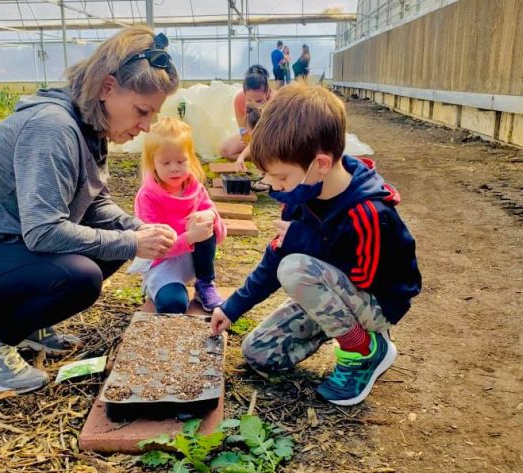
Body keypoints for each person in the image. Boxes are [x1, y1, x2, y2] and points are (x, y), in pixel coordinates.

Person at [0, 25, 179, 393]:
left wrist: (136, 230)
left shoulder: (90, 127)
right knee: (81, 275)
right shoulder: (51, 128)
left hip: (0, 254)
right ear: (107, 88)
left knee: (112, 247)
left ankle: (28, 323)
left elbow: (94, 204)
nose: (146, 125)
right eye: (141, 111)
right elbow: (44, 231)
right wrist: (130, 242)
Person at [211, 83, 421, 407]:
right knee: (259, 353)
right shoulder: (302, 194)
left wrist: (304, 240)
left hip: (376, 302)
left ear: (320, 164)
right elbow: (276, 254)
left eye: (282, 178)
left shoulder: (369, 213)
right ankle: (340, 329)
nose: (277, 187)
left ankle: (364, 350)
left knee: (294, 268)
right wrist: (233, 307)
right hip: (329, 292)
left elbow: (364, 277)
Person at [134, 117, 227, 313]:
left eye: (181, 161)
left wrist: (210, 217)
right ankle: (160, 289)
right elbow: (154, 247)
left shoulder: (195, 188)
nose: (174, 168)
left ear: (191, 159)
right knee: (174, 304)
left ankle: (204, 284)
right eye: (166, 162)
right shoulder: (148, 197)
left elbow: (218, 227)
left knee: (206, 220)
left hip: (191, 258)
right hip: (162, 263)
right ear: (153, 163)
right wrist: (190, 237)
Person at [219, 65, 275, 161]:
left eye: (259, 101)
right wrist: (247, 141)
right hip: (252, 137)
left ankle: (256, 156)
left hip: (271, 138)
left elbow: (278, 132)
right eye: (249, 99)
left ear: (267, 93)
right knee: (224, 149)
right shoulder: (239, 99)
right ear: (244, 93)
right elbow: (243, 129)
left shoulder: (276, 100)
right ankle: (256, 156)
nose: (253, 104)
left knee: (273, 151)